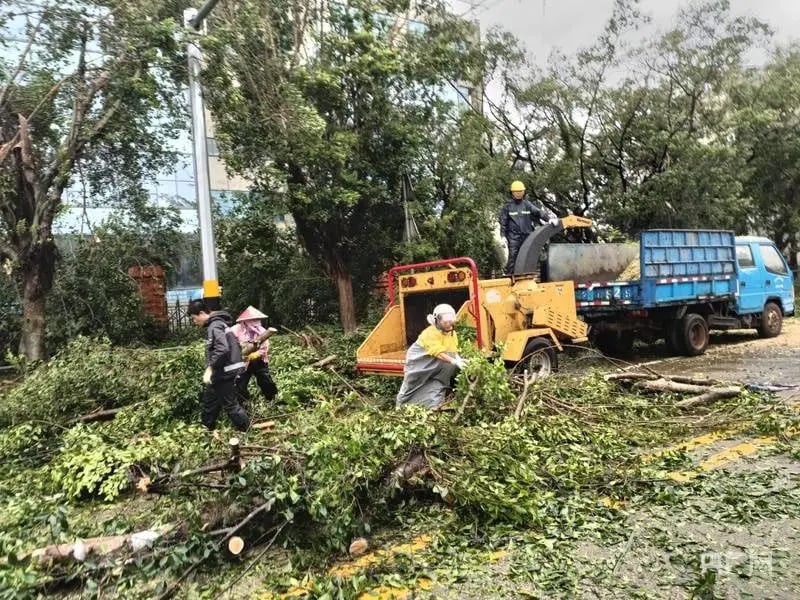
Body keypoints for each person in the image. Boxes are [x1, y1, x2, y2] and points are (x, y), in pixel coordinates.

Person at [187, 299, 250, 431]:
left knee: (230, 404)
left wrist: (210, 367)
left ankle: (247, 429)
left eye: (194, 318)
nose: (194, 322)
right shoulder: (218, 324)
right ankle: (206, 428)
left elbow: (222, 349)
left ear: (202, 313)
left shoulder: (214, 325)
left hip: (224, 371)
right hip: (222, 371)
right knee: (210, 401)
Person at [396, 303, 468, 409]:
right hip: (420, 364)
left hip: (437, 366)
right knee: (412, 386)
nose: (448, 325)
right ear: (437, 321)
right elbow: (438, 352)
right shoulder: (431, 333)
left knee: (436, 386)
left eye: (450, 322)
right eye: (445, 322)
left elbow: (452, 350)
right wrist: (454, 362)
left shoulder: (451, 333)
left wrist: (459, 359)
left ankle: (431, 409)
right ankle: (401, 407)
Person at [499, 180, 559, 274]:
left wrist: (549, 219)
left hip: (527, 236)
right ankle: (510, 278)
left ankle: (528, 278)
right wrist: (502, 236)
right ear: (512, 193)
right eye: (516, 192)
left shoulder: (527, 205)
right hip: (513, 238)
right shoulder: (507, 207)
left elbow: (538, 212)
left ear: (523, 192)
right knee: (513, 258)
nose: (518, 194)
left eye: (520, 192)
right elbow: (503, 222)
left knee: (529, 257)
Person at [230, 306, 278, 406]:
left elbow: (264, 348)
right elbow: (229, 341)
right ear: (245, 321)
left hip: (259, 361)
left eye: (256, 320)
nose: (255, 322)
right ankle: (243, 403)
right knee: (240, 384)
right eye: (252, 320)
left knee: (265, 380)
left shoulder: (262, 331)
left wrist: (255, 354)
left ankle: (272, 400)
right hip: (243, 362)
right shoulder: (236, 329)